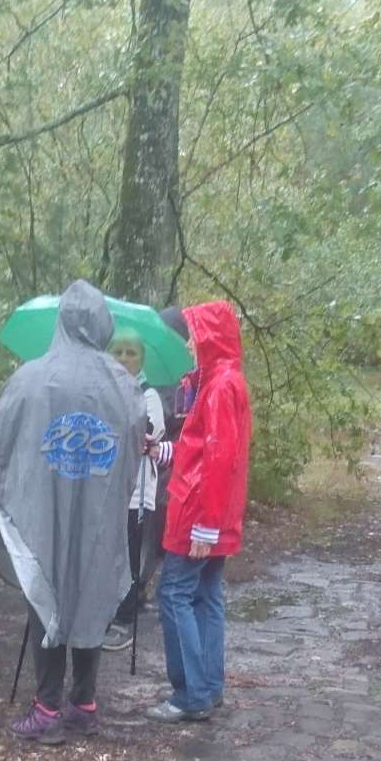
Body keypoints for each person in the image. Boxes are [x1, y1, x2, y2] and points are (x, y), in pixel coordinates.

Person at [0, 280, 146, 743]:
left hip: (43, 506)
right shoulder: (124, 384)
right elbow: (136, 442)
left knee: (46, 591)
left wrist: (10, 488)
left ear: (62, 321)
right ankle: (83, 702)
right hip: (100, 509)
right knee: (93, 589)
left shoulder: (31, 377)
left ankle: (48, 708)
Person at [147, 301, 252, 723]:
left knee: (174, 593)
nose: (189, 344)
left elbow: (221, 459)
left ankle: (190, 693)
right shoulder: (219, 382)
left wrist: (206, 527)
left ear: (210, 338)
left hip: (198, 512)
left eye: (193, 336)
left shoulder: (220, 387)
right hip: (210, 510)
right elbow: (199, 448)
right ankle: (208, 685)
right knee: (206, 594)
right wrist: (163, 450)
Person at [103, 329, 167, 651]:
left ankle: (125, 614)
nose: (124, 358)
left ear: (142, 358)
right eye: (118, 351)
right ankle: (108, 607)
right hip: (106, 487)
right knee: (107, 550)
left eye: (131, 353)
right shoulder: (103, 389)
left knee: (129, 550)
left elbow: (151, 432)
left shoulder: (148, 394)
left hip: (137, 488)